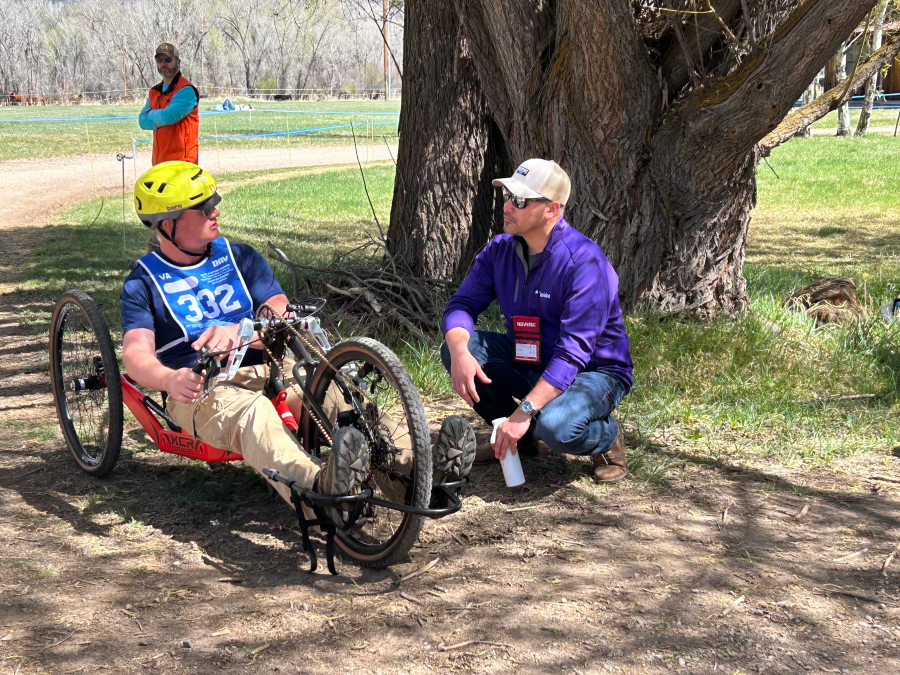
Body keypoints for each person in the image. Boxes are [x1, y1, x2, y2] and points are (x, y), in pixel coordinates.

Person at [120, 161, 474, 538]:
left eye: (215, 201)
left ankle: (420, 476)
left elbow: (277, 306)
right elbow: (135, 355)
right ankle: (323, 492)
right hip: (204, 389)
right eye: (204, 207)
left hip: (272, 367)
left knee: (337, 396)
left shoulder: (239, 257)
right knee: (255, 414)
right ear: (168, 223)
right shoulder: (143, 282)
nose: (215, 211)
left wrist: (241, 331)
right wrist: (169, 379)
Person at [440, 159, 634, 483]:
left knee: (556, 428)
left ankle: (607, 437)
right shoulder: (499, 250)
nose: (507, 206)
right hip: (532, 359)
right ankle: (519, 440)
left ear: (551, 209)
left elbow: (573, 353)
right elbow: (462, 304)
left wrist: (525, 412)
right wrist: (459, 350)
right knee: (458, 347)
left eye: (519, 200)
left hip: (593, 372)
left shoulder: (585, 263)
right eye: (507, 196)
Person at [139, 43, 200, 253]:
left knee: (184, 217)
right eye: (159, 60)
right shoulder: (154, 92)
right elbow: (141, 121)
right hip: (159, 166)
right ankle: (155, 260)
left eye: (168, 59)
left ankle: (188, 259)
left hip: (183, 166)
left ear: (177, 62)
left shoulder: (187, 91)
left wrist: (154, 115)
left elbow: (169, 116)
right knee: (159, 216)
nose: (164, 64)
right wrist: (159, 117)